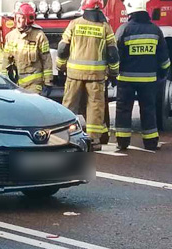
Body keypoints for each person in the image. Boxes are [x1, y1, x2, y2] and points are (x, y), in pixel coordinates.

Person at [56, 0, 120, 143]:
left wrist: (60, 67)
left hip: (74, 75)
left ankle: (65, 137)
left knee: (69, 106)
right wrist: (114, 73)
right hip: (96, 76)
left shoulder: (74, 24)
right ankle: (93, 140)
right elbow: (113, 53)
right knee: (95, 108)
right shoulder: (105, 27)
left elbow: (62, 49)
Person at [113, 0, 170, 151]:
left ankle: (123, 142)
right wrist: (162, 74)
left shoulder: (123, 29)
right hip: (149, 79)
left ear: (130, 12)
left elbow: (116, 55)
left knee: (124, 110)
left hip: (126, 79)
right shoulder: (155, 30)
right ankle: (150, 142)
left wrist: (113, 74)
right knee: (149, 110)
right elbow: (164, 58)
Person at [1, 3, 54, 95]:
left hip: (34, 84)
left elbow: (47, 60)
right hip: (16, 84)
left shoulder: (39, 36)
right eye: (16, 17)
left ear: (28, 19)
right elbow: (6, 59)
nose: (17, 20)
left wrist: (48, 82)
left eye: (21, 17)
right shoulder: (11, 36)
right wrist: (4, 78)